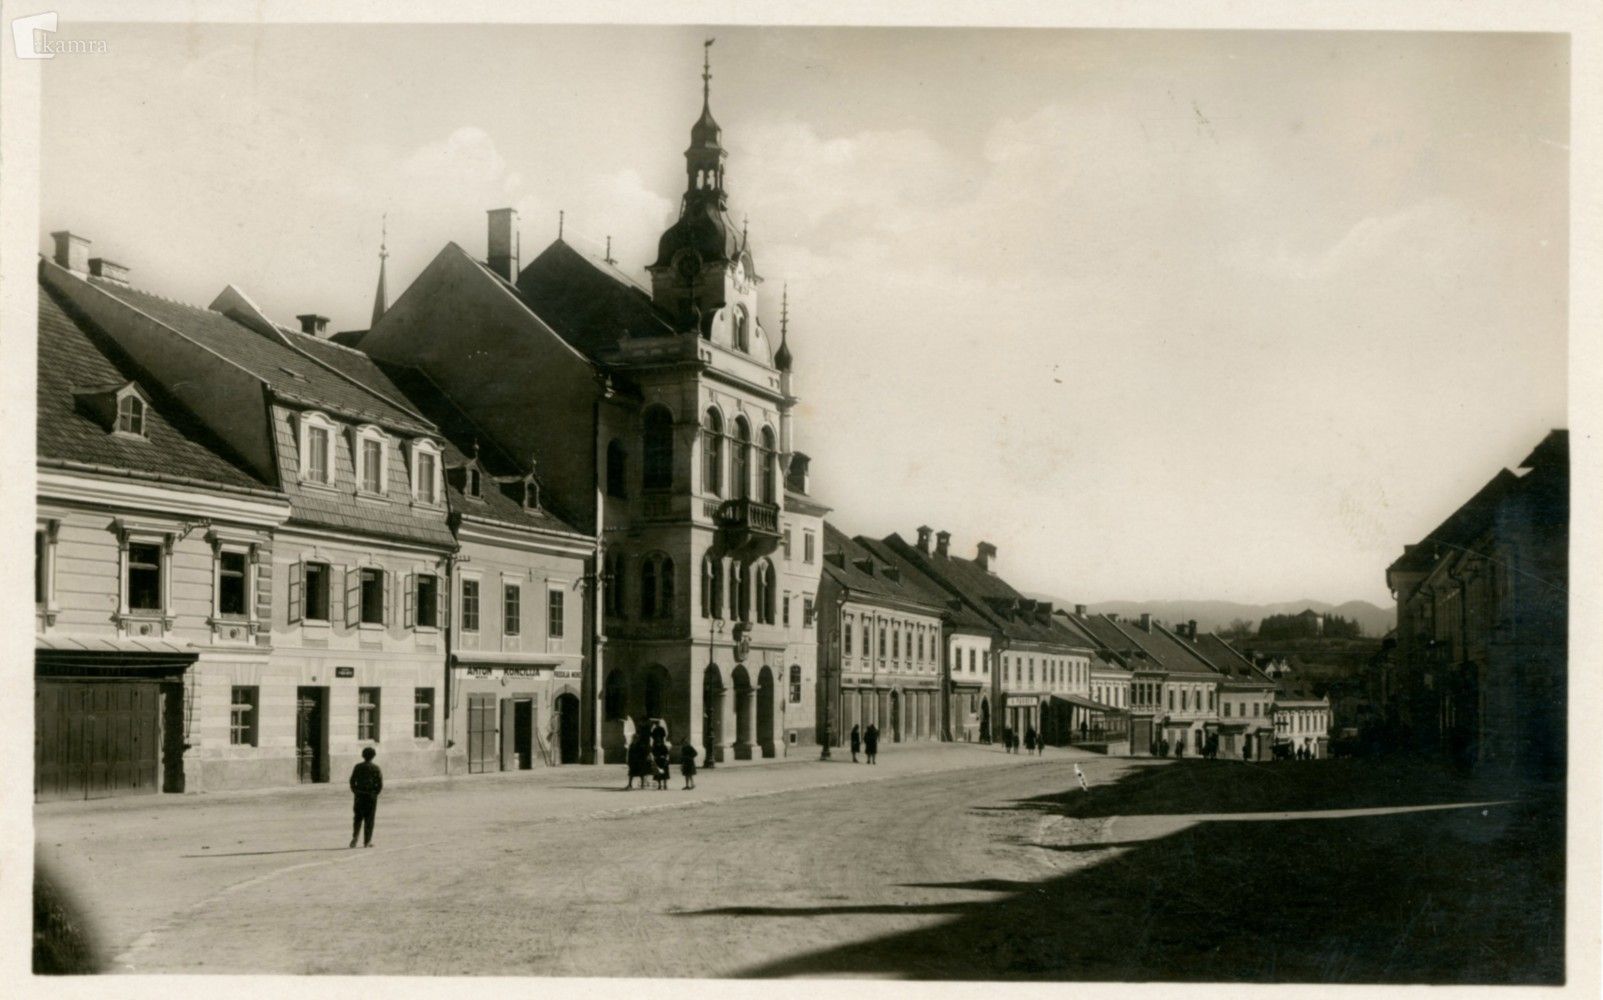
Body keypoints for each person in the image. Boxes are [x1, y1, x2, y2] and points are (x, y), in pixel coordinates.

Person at [348, 747, 382, 848]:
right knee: (369, 818)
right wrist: (375, 793)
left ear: (363, 755)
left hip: (359, 795)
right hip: (371, 796)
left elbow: (352, 780)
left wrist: (355, 791)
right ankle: (367, 841)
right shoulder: (376, 768)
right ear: (373, 756)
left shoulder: (358, 767)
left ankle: (355, 837)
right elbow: (379, 784)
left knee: (357, 817)